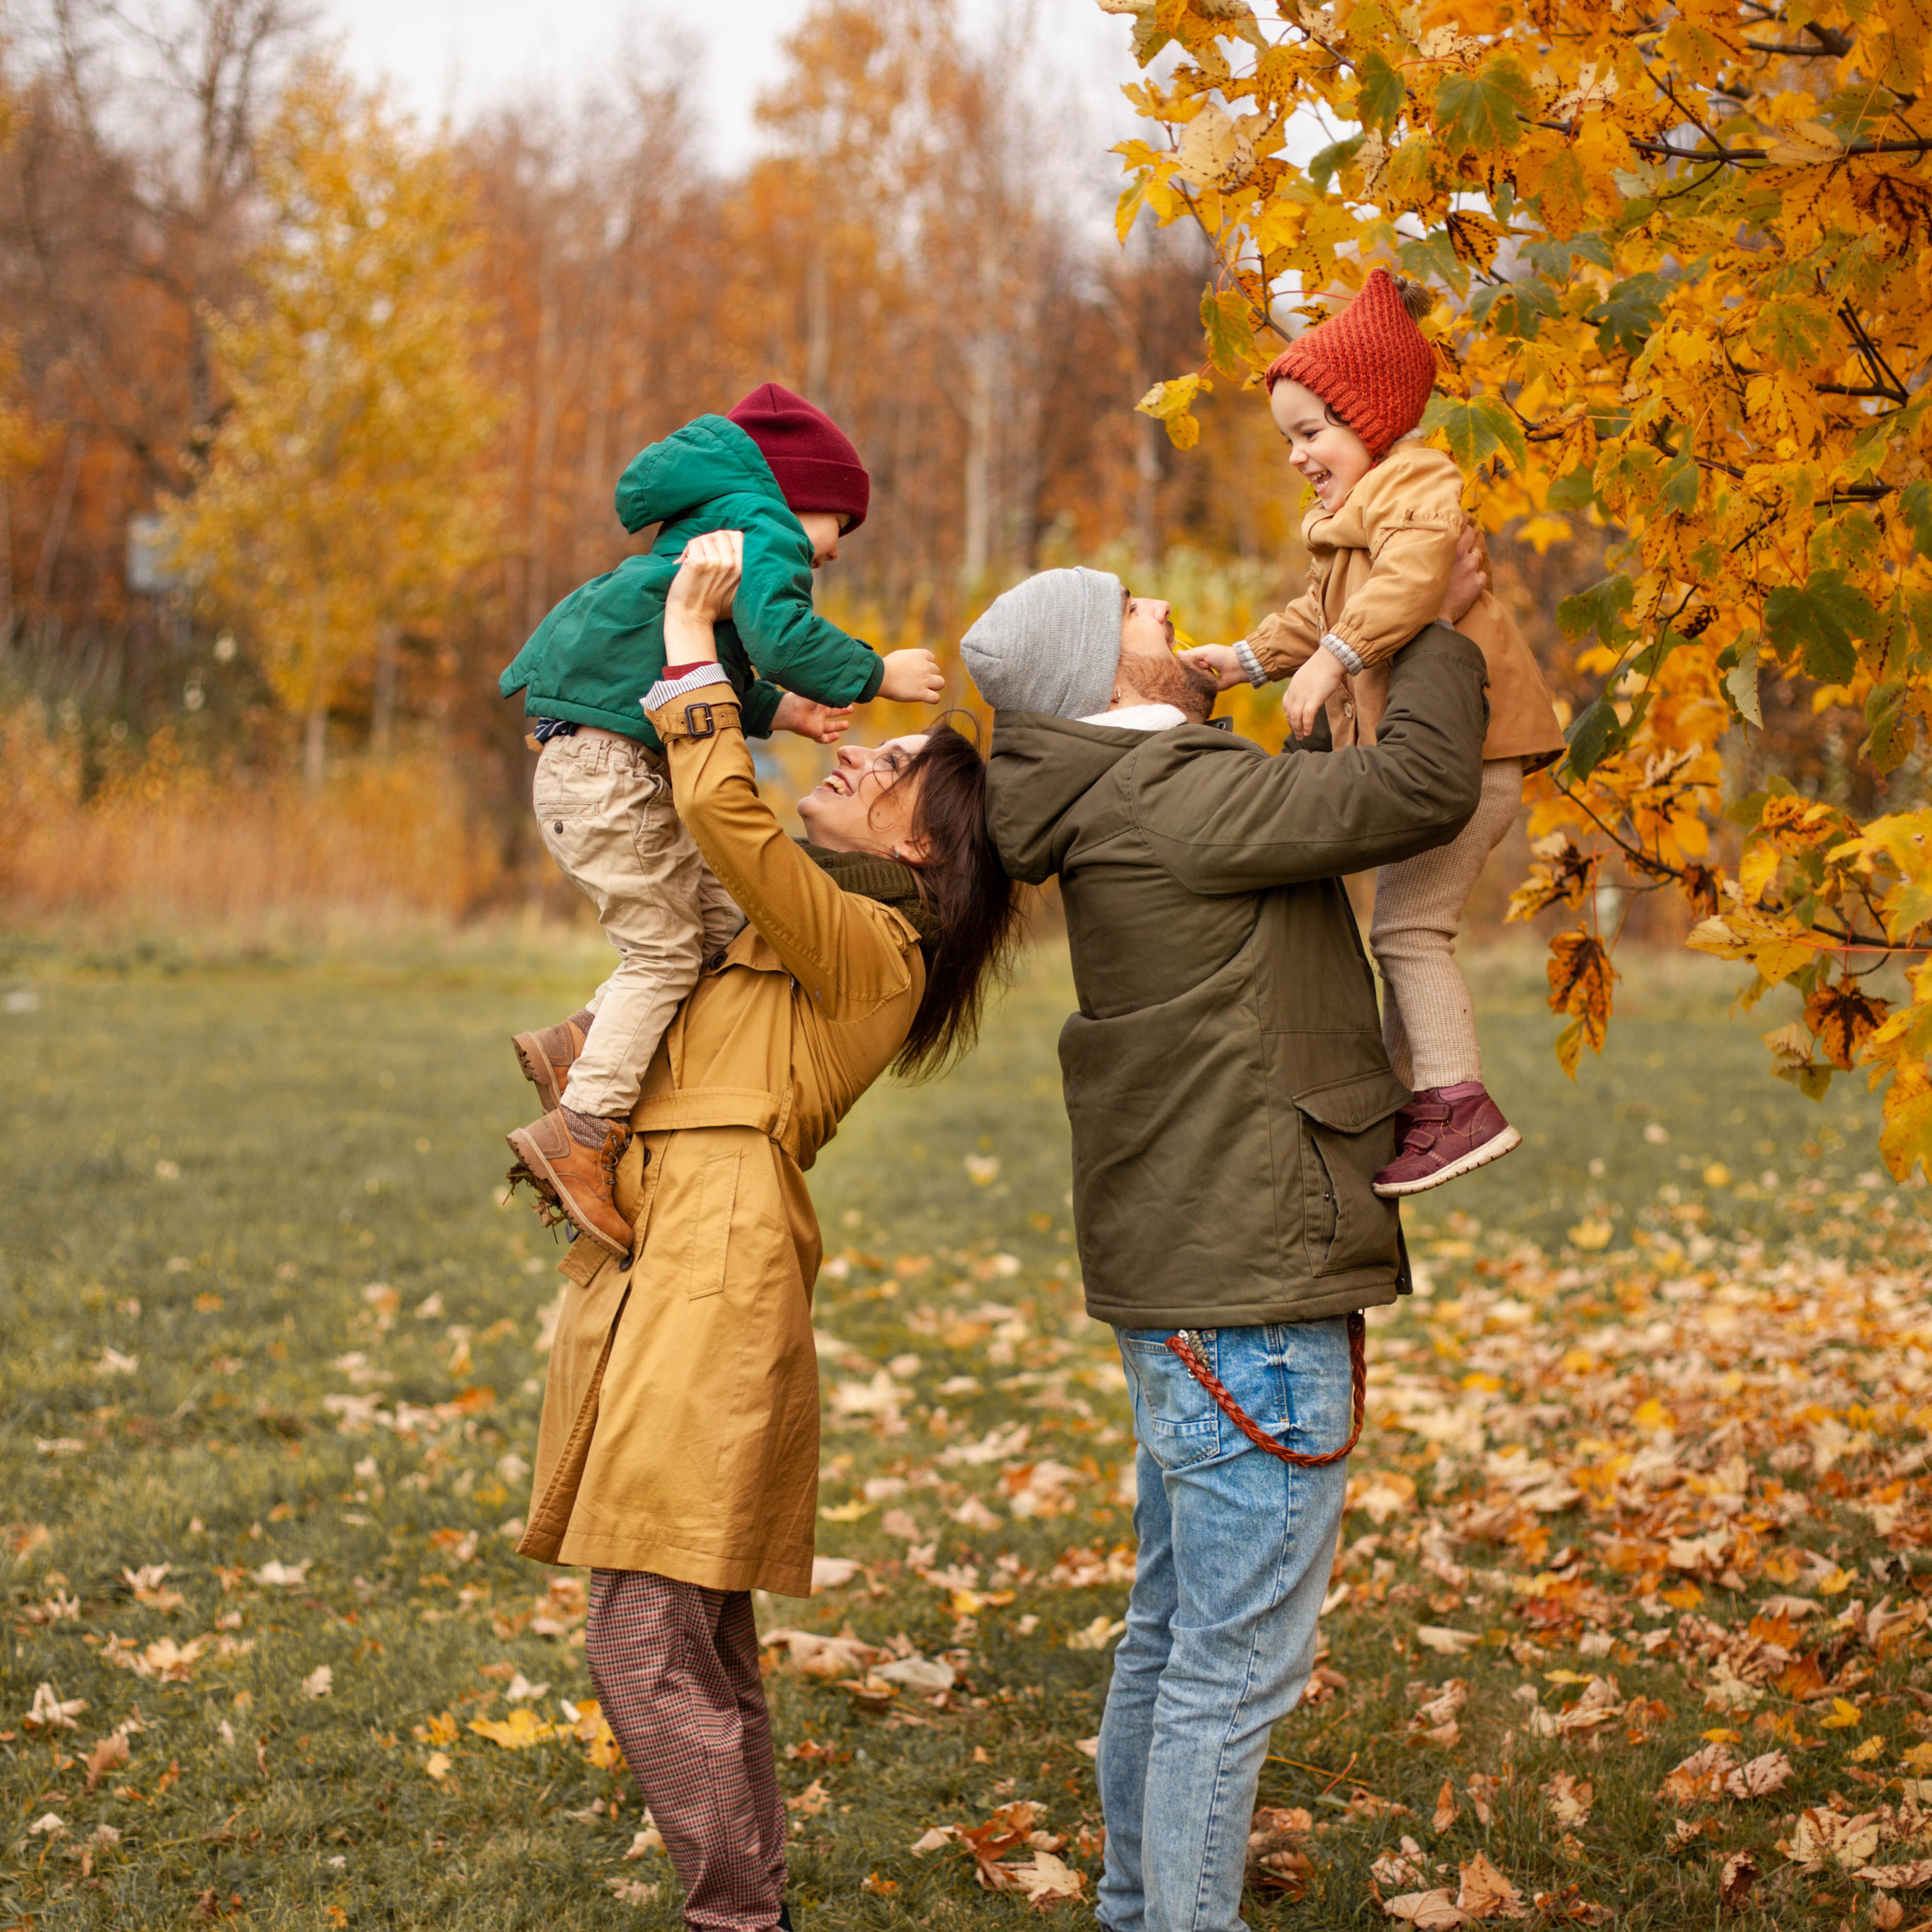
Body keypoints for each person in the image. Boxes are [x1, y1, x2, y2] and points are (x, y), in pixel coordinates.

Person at [961, 555, 1487, 1932]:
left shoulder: (1130, 792)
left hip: (1194, 1285)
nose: (1163, 612)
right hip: (1246, 1289)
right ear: (1103, 671)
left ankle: (1142, 1910)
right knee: (1229, 1673)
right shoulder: (1176, 795)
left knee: (1174, 1640)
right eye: (1135, 607)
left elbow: (1308, 795)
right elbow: (1418, 790)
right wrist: (1430, 621)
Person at [511, 529, 1020, 1932]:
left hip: (719, 1251)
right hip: (672, 1232)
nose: (861, 760)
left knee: (644, 1622)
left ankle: (736, 1918)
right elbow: (680, 864)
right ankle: (753, 1909)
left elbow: (729, 817)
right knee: (696, 1621)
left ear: (929, 846)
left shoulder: (879, 942)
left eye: (894, 769)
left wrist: (692, 652)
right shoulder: (798, 925)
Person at [499, 384, 948, 1256]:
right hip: (612, 769)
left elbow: (718, 656)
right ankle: (582, 1129)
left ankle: (582, 1039)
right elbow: (779, 636)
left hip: (596, 757)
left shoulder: (712, 526)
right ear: (805, 495)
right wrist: (871, 672)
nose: (829, 553)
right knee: (665, 950)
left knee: (720, 921)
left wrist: (785, 716)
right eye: (837, 532)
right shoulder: (766, 525)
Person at [1181, 269, 1565, 1196]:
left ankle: (1453, 1101)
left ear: (1375, 419)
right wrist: (1240, 661)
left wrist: (1338, 658)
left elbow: (1408, 586)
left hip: (1471, 755)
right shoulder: (1351, 526)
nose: (1297, 456)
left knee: (1407, 934)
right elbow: (1314, 613)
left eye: (1311, 433)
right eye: (1288, 439)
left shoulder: (1416, 487)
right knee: (1401, 927)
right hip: (1442, 759)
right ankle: (1402, 1102)